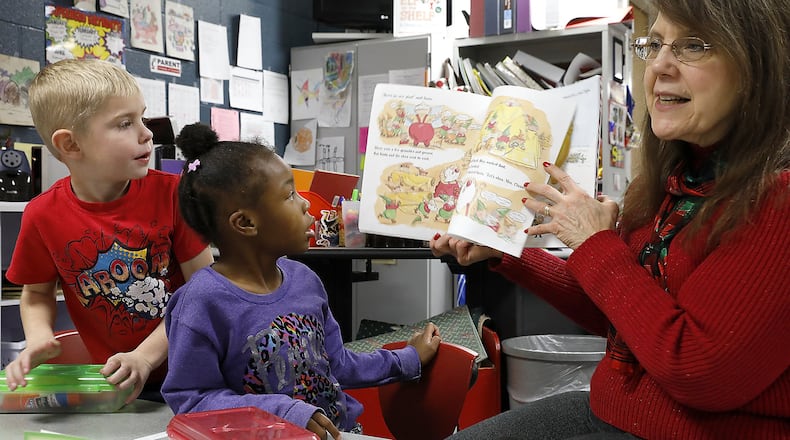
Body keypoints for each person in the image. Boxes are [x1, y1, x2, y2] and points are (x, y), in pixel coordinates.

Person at [433, 0, 790, 438]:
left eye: (692, 46)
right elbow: (625, 316)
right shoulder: (679, 177)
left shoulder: (777, 199)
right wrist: (507, 252)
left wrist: (596, 244)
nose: (659, 65)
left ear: (758, 65)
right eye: (655, 44)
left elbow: (695, 368)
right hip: (616, 413)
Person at [161, 123, 441, 440]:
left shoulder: (304, 280)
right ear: (246, 222)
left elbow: (337, 364)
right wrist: (283, 413)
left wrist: (407, 359)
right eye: (289, 193)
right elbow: (192, 400)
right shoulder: (202, 302)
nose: (306, 203)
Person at [2, 59, 214, 403]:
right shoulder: (42, 215)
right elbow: (37, 294)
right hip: (118, 385)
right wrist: (39, 337)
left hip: (194, 376)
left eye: (142, 117)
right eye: (125, 123)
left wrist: (145, 356)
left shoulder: (174, 194)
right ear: (71, 145)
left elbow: (205, 292)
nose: (147, 133)